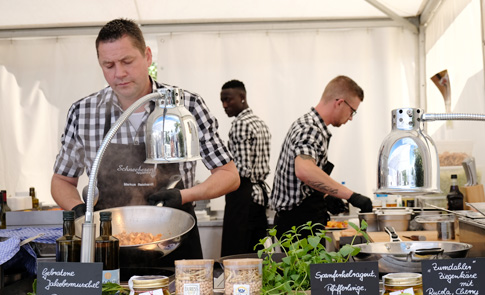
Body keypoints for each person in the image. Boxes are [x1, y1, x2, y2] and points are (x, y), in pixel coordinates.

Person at [51, 18, 240, 264]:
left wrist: (184, 195)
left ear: (147, 56)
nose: (119, 73)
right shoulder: (83, 112)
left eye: (127, 61)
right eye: (108, 65)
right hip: (108, 246)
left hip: (175, 243)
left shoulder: (186, 106)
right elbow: (61, 180)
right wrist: (79, 210)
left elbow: (229, 174)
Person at [270, 75, 373, 238]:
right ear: (339, 103)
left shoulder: (310, 125)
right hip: (297, 226)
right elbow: (305, 171)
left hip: (299, 220)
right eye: (352, 111)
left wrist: (327, 195)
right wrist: (352, 196)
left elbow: (302, 183)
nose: (351, 117)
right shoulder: (310, 128)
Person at [219, 80, 271, 257]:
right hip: (258, 198)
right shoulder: (259, 123)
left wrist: (218, 177)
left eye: (228, 99)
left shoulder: (241, 124)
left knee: (236, 256)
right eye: (222, 101)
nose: (225, 105)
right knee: (256, 255)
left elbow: (243, 170)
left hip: (243, 197)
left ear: (242, 97)